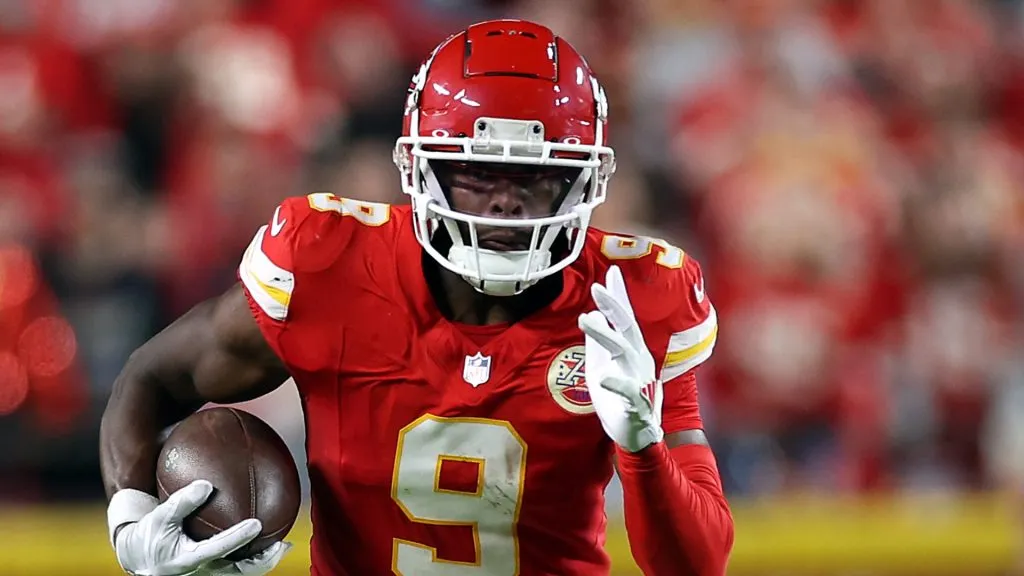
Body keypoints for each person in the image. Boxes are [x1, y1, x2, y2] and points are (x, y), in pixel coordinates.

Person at [100, 19, 734, 576]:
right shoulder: (329, 265)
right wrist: (131, 521)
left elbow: (696, 564)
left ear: (584, 180)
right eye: (477, 171)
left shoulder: (631, 301)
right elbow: (150, 378)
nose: (505, 200)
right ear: (419, 169)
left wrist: (643, 444)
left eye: (537, 176)